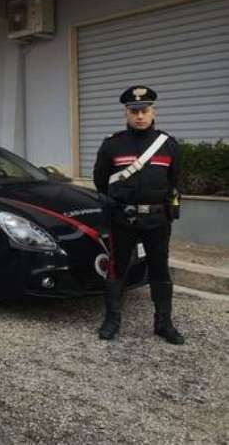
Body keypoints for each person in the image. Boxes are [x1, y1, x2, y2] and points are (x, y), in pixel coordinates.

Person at [93, 85, 184, 344]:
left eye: (144, 110)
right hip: (123, 219)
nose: (139, 116)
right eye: (134, 111)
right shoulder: (113, 144)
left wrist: (169, 211)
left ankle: (163, 324)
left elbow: (174, 181)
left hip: (157, 220)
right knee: (117, 270)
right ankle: (112, 320)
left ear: (153, 111)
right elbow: (101, 181)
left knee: (160, 271)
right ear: (126, 114)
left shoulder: (168, 145)